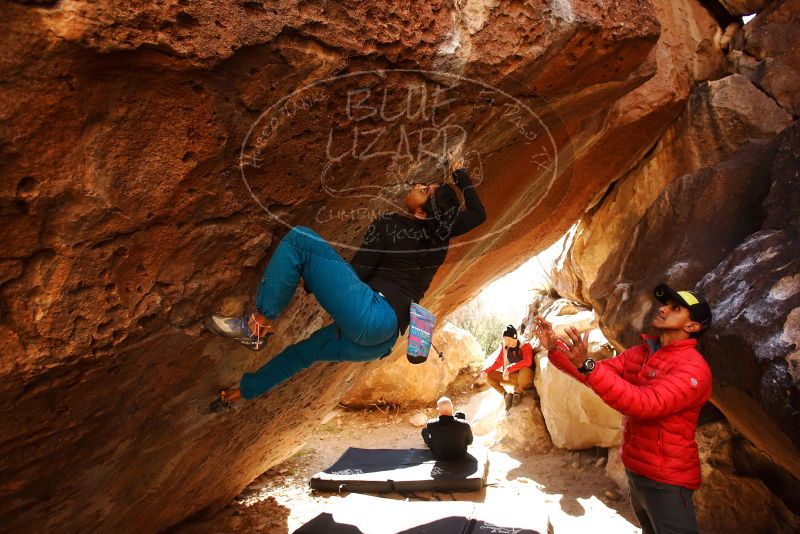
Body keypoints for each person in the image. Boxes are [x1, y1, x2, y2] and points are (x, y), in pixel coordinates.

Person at [205, 156, 486, 411]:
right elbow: (477, 214)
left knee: (301, 239)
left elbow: (358, 274)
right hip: (381, 342)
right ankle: (235, 395)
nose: (418, 184)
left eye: (424, 190)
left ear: (422, 213)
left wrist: (313, 278)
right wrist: (458, 173)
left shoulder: (389, 225)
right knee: (303, 354)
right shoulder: (442, 234)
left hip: (372, 315)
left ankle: (255, 326)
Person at [533, 283, 713, 534]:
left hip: (667, 481)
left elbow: (643, 404)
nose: (663, 309)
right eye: (665, 304)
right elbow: (594, 373)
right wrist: (556, 349)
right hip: (637, 472)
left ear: (692, 326)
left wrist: (588, 366)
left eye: (675, 308)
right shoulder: (642, 352)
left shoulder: (693, 370)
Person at [482, 324, 534, 410]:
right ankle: (506, 395)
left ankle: (518, 392)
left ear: (515, 337)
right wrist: (486, 371)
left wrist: (509, 368)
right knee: (489, 375)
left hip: (525, 378)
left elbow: (528, 362)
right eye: (505, 339)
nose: (507, 341)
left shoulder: (525, 345)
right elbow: (498, 362)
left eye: (509, 339)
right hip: (513, 378)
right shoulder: (505, 348)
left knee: (525, 370)